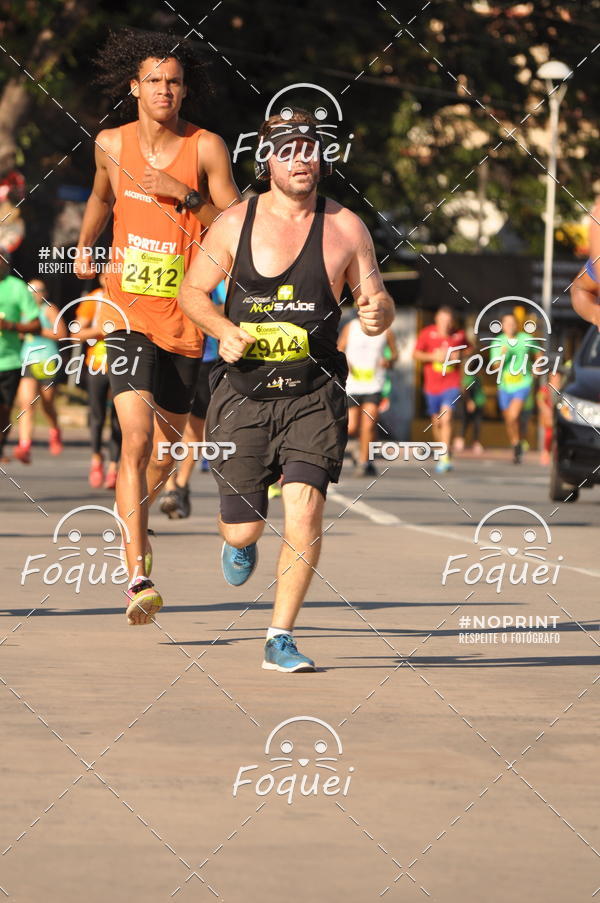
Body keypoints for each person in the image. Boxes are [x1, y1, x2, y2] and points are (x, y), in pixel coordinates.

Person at [178, 108, 394, 673]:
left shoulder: (347, 226)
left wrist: (377, 314)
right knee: (243, 525)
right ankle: (240, 541)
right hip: (243, 392)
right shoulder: (233, 223)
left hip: (314, 392)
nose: (301, 159)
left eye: (310, 149)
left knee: (304, 508)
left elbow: (377, 298)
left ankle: (280, 636)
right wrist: (223, 330)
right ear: (267, 159)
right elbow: (192, 292)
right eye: (288, 149)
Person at [74, 29, 240, 625]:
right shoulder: (110, 143)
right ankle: (136, 572)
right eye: (154, 80)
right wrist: (85, 243)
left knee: (165, 456)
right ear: (134, 88)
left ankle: (143, 514)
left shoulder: (206, 148)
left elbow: (235, 223)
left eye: (173, 80)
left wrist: (183, 195)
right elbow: (99, 196)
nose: (164, 89)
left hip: (185, 317)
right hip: (125, 314)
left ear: (184, 89)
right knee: (136, 438)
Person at [159, 280, 226, 518]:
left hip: (205, 359)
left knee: (195, 428)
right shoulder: (169, 268)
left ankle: (182, 484)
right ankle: (169, 488)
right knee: (167, 427)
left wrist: (197, 305)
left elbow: (226, 309)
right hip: (168, 353)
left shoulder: (213, 278)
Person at [72, 272, 121, 489]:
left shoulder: (127, 299)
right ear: (101, 278)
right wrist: (101, 331)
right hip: (97, 364)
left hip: (125, 365)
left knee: (120, 419)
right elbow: (76, 333)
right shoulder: (94, 300)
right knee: (97, 415)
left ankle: (114, 467)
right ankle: (96, 459)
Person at [13, 278, 66, 464]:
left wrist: (38, 331)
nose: (34, 294)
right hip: (27, 359)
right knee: (26, 403)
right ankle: (25, 445)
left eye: (38, 290)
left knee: (47, 403)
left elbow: (62, 334)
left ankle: (55, 430)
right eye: (31, 290)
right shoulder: (23, 311)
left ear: (44, 292)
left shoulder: (49, 309)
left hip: (48, 360)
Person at [338, 314, 397, 476]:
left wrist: (388, 361)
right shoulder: (351, 327)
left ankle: (364, 462)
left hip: (374, 384)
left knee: (369, 424)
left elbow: (395, 354)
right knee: (352, 427)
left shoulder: (386, 331)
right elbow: (339, 348)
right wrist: (345, 363)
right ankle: (361, 447)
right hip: (352, 385)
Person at [413, 306, 468, 473]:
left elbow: (470, 350)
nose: (446, 324)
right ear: (436, 320)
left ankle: (444, 457)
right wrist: (433, 356)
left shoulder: (459, 335)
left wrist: (460, 356)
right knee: (436, 422)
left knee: (447, 416)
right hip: (432, 386)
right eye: (443, 320)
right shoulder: (427, 334)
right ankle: (443, 449)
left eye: (449, 321)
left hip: (451, 383)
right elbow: (415, 354)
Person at [0, 253, 41, 461]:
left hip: (9, 361)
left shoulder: (17, 287)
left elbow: (36, 324)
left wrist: (10, 326)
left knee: (5, 409)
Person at [489, 311, 538, 464]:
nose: (510, 326)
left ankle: (518, 443)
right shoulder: (498, 342)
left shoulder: (526, 338)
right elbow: (495, 367)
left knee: (514, 415)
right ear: (502, 326)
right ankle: (516, 444)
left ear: (517, 324)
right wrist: (503, 356)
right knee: (509, 420)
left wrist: (537, 366)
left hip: (523, 382)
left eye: (513, 323)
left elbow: (538, 353)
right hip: (505, 385)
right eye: (507, 323)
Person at [454, 370, 485, 455]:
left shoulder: (477, 377)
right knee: (465, 422)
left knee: (476, 424)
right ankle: (460, 440)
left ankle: (475, 442)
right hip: (470, 403)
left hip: (478, 403)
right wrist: (469, 401)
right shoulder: (470, 377)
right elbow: (465, 389)